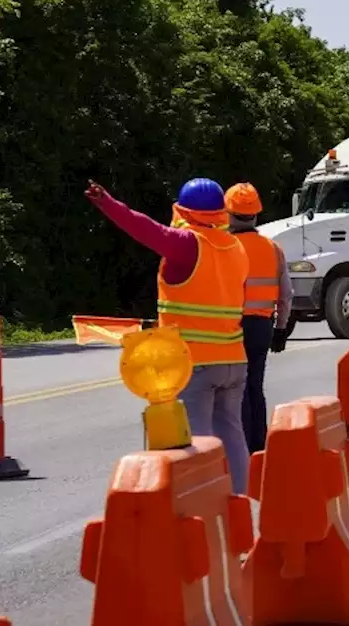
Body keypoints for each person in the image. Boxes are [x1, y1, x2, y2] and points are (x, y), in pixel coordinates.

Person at [85, 177, 251, 494]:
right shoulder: (235, 247)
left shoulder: (187, 244)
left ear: (183, 210)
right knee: (232, 434)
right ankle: (239, 503)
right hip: (233, 359)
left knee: (197, 441)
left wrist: (108, 204)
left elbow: (145, 228)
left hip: (194, 363)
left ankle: (203, 508)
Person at [224, 183, 292, 454]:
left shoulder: (227, 247)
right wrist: (281, 329)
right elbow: (286, 295)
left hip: (233, 326)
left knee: (236, 389)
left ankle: (242, 446)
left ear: (228, 213)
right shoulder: (272, 248)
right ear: (256, 214)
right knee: (255, 385)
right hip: (262, 327)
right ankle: (259, 445)